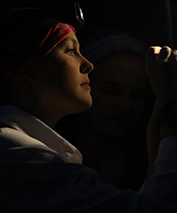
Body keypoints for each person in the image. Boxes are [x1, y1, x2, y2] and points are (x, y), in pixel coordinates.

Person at [0, 6, 177, 213]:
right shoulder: (15, 156)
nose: (87, 65)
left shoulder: (28, 152)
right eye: (70, 51)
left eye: (136, 94)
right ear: (27, 67)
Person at [55, 30, 153, 190]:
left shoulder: (150, 163)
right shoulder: (51, 158)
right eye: (111, 91)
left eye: (136, 95)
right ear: (85, 85)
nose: (125, 106)